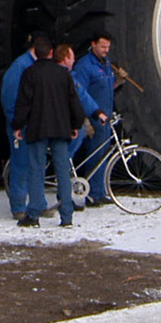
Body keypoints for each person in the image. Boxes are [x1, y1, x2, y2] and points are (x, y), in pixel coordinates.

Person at [12, 34, 87, 227]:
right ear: (52, 53)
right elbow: (74, 102)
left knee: (36, 170)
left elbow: (23, 103)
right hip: (61, 128)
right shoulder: (63, 74)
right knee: (62, 170)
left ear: (35, 53)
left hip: (37, 128)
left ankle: (34, 212)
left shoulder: (30, 73)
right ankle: (67, 215)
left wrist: (18, 125)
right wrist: (75, 124)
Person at [56, 43, 110, 205]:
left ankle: (69, 196)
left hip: (68, 123)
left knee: (67, 160)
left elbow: (83, 96)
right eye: (72, 57)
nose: (74, 61)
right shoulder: (66, 77)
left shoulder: (68, 75)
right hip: (65, 125)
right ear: (65, 59)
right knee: (64, 160)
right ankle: (64, 198)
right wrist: (93, 114)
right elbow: (81, 97)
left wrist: (96, 112)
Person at [70, 33, 117, 208]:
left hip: (105, 117)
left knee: (102, 155)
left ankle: (99, 192)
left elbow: (106, 86)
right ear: (93, 44)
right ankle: (90, 193)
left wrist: (118, 82)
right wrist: (84, 119)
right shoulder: (84, 66)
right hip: (93, 118)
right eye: (103, 47)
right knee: (93, 155)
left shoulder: (105, 64)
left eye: (108, 47)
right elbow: (78, 93)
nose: (106, 50)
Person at [0, 33, 41, 219]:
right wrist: (15, 122)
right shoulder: (20, 66)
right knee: (20, 164)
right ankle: (18, 207)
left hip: (35, 124)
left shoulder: (34, 65)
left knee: (36, 165)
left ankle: (37, 204)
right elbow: (9, 97)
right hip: (21, 125)